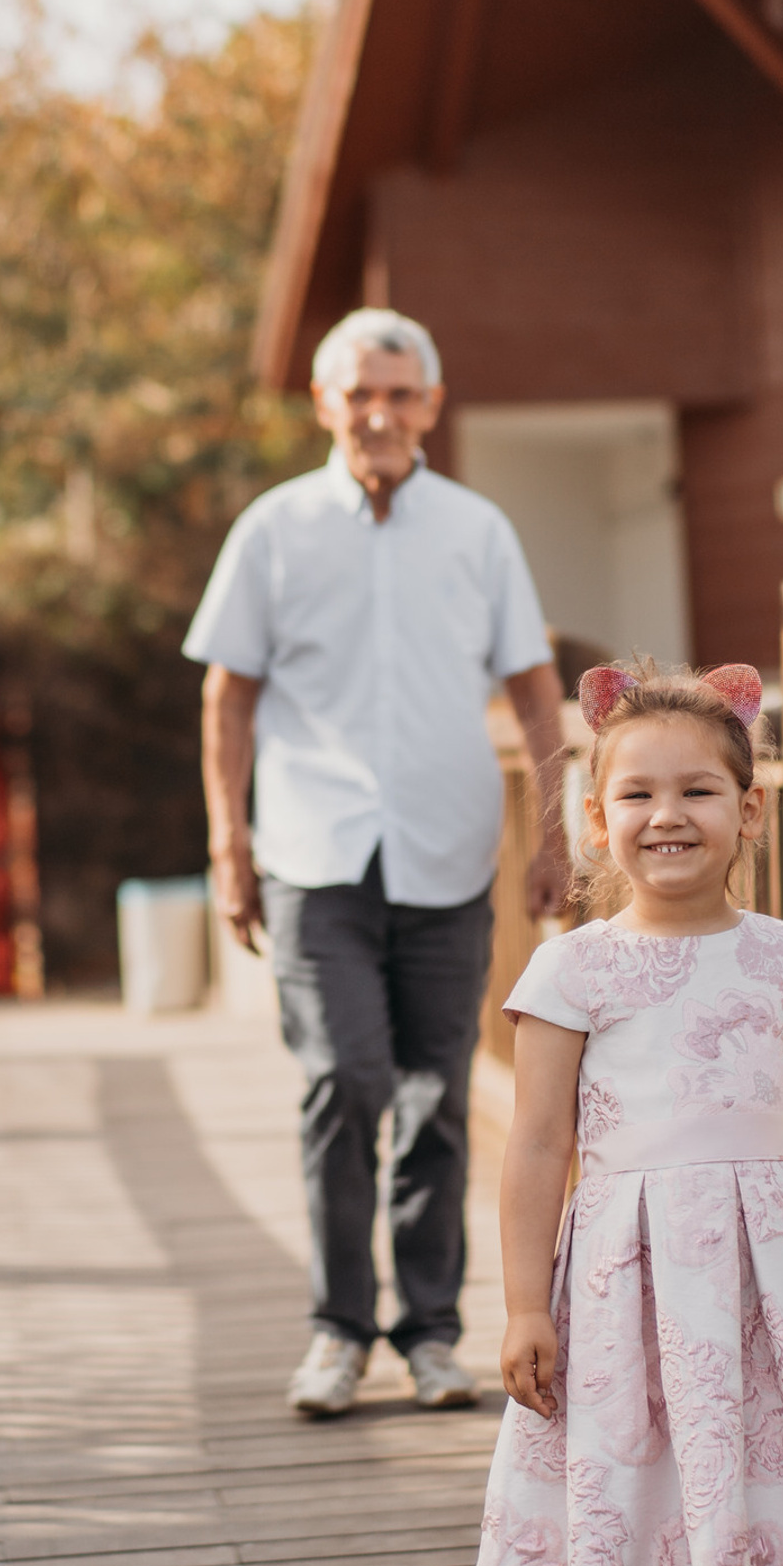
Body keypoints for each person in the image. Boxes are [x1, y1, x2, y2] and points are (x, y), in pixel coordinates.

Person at [478, 661, 783, 1566]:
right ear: (598, 821)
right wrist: (522, 1308)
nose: (665, 814)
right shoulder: (574, 970)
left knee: (758, 1563)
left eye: (698, 791)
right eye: (636, 793)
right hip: (625, 1301)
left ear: (749, 813)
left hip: (767, 1294)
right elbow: (539, 1145)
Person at [184, 306, 569, 1417]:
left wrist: (553, 836)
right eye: (359, 393)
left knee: (438, 1096)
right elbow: (229, 693)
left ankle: (433, 1334)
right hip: (312, 856)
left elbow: (535, 689)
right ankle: (338, 1332)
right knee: (344, 1084)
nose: (380, 413)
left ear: (432, 407)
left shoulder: (478, 531)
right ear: (324, 404)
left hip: (449, 856)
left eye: (401, 394)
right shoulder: (272, 529)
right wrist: (228, 841)